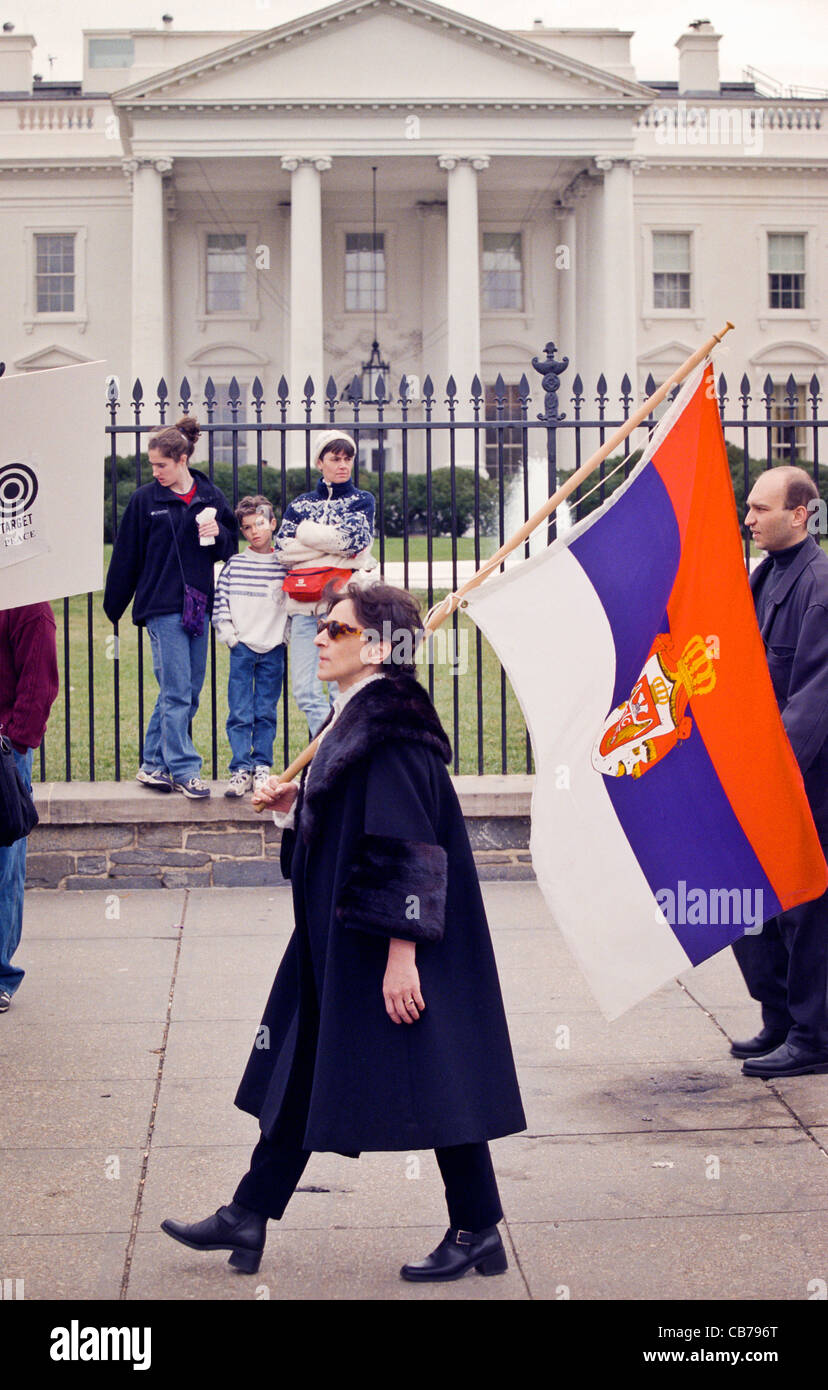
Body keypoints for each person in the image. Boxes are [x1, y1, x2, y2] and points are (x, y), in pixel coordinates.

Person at [161, 581, 526, 1282]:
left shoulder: (389, 731)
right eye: (322, 627)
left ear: (381, 648)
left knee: (437, 1070)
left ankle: (476, 1226)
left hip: (383, 937)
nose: (321, 638)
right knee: (307, 1062)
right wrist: (298, 806)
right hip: (341, 932)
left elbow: (407, 849)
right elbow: (352, 822)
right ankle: (249, 1211)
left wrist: (401, 958)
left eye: (336, 629)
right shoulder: (356, 716)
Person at [731, 465, 828, 1077]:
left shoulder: (819, 585)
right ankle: (780, 1017)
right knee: (744, 902)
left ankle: (815, 1036)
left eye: (761, 509)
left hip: (802, 780)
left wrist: (772, 780)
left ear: (801, 515)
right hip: (756, 771)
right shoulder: (763, 575)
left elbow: (812, 701)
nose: (748, 519)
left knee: (806, 906)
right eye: (748, 507)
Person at [103, 416, 237, 799]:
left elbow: (230, 547)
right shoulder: (146, 500)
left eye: (161, 464)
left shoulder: (210, 496)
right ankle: (184, 769)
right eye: (152, 465)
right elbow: (126, 555)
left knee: (187, 691)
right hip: (161, 607)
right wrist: (115, 606)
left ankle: (152, 765)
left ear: (182, 459)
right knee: (177, 690)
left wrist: (220, 534)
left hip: (199, 604)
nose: (155, 471)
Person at [276, 429, 377, 736]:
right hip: (304, 609)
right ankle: (326, 746)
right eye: (335, 459)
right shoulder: (301, 504)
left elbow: (356, 544)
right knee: (305, 691)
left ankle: (334, 752)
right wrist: (331, 548)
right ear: (320, 462)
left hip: (341, 610)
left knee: (341, 691)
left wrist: (306, 536)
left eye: (348, 458)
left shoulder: (362, 501)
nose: (342, 465)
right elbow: (282, 550)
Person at [0, 602, 59, 1012]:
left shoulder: (29, 605)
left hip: (3, 749)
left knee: (3, 865)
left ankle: (0, 974)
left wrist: (12, 743)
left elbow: (39, 684)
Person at [213, 495, 288, 798]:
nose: (254, 531)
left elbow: (294, 604)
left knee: (266, 711)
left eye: (259, 524)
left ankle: (261, 767)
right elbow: (220, 604)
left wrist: (284, 637)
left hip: (273, 648)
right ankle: (240, 768)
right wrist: (231, 637)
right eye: (246, 527)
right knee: (240, 710)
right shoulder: (235, 564)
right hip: (242, 647)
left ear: (272, 523)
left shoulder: (285, 565)